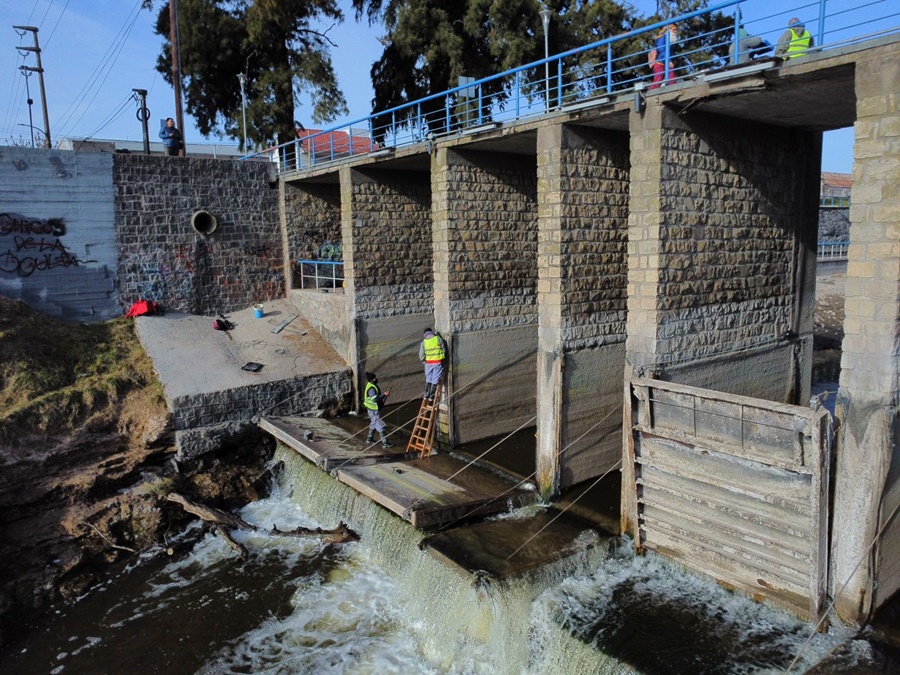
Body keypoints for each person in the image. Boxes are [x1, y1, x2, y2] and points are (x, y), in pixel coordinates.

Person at [363, 371, 392, 447]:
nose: (376, 378)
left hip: (372, 409)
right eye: (375, 378)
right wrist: (384, 395)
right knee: (379, 425)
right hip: (374, 409)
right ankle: (385, 443)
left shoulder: (370, 385)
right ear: (373, 379)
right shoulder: (372, 388)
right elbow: (374, 400)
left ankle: (369, 439)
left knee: (373, 423)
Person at [419, 328, 447, 401]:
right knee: (435, 379)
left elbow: (421, 355)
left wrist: (424, 361)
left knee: (428, 378)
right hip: (437, 362)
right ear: (431, 332)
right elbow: (444, 349)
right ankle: (431, 396)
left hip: (428, 363)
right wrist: (443, 358)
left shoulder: (424, 342)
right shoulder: (438, 339)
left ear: (425, 334)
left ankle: (426, 395)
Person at [648, 24, 678, 89]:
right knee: (658, 81)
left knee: (672, 79)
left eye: (676, 30)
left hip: (668, 62)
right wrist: (669, 61)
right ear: (668, 30)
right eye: (674, 29)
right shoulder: (661, 38)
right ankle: (650, 94)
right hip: (661, 62)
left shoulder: (671, 39)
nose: (675, 31)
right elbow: (662, 50)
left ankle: (673, 91)